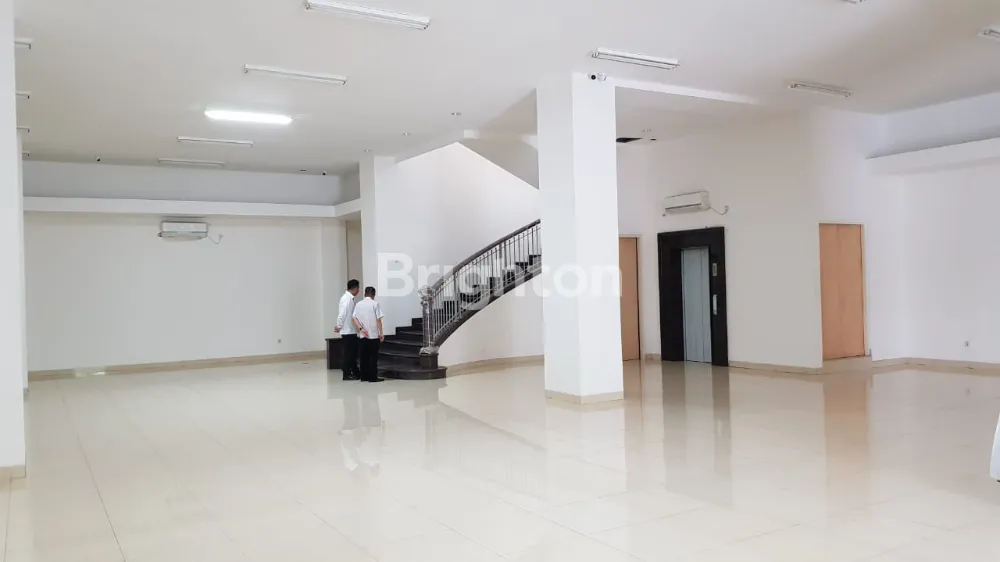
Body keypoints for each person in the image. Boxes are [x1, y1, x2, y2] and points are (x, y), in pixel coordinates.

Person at [352, 286, 386, 383]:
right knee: (373, 356)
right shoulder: (375, 304)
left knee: (363, 356)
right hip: (373, 334)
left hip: (363, 334)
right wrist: (381, 333)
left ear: (364, 294)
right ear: (374, 294)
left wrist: (361, 328)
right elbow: (378, 319)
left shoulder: (358, 304)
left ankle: (364, 376)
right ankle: (372, 377)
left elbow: (354, 318)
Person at [335, 279, 361, 381]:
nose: (358, 290)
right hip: (347, 331)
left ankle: (355, 372)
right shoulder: (346, 299)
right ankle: (346, 374)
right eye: (358, 288)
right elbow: (342, 314)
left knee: (352, 353)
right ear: (355, 288)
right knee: (349, 354)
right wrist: (339, 325)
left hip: (351, 330)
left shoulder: (350, 298)